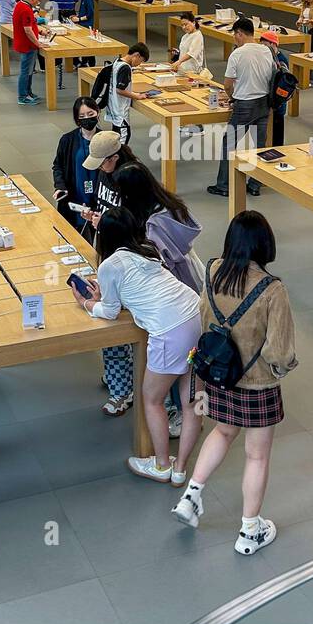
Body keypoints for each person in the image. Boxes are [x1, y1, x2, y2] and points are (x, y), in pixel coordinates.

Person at [171, 211, 296, 556]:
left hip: (219, 375)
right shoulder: (273, 289)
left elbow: (203, 315)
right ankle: (250, 531)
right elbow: (280, 352)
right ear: (264, 243)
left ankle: (191, 496)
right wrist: (279, 372)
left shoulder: (212, 270)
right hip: (257, 385)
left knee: (222, 432)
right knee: (256, 457)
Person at [75, 207, 203, 486]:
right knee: (191, 401)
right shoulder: (148, 250)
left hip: (169, 332)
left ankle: (160, 465)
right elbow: (140, 289)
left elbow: (109, 311)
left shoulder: (109, 265)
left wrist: (86, 302)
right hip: (194, 314)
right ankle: (180, 468)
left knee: (152, 398)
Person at [111, 161, 206, 438]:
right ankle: (190, 416)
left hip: (171, 295)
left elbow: (153, 260)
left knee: (171, 371)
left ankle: (175, 417)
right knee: (190, 367)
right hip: (190, 286)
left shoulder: (152, 226)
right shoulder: (171, 207)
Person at [77, 131, 141, 415]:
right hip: (107, 251)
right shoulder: (107, 173)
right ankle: (119, 378)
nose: (100, 169)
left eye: (102, 163)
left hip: (122, 261)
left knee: (113, 324)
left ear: (115, 158)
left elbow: (131, 226)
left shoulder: (129, 181)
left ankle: (121, 391)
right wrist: (95, 218)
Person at [207, 18, 274, 199]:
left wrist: (232, 99)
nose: (234, 39)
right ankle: (255, 184)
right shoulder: (266, 50)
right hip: (264, 103)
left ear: (239, 33)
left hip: (244, 104)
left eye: (235, 35)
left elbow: (228, 85)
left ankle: (224, 185)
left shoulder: (237, 54)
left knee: (229, 142)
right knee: (259, 145)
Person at [51, 96, 102, 211]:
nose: (87, 118)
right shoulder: (67, 140)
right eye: (82, 116)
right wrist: (60, 186)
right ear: (77, 119)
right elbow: (58, 166)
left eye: (90, 114)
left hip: (98, 197)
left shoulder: (105, 140)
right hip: (75, 197)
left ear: (98, 113)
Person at [104, 42, 151, 143]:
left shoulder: (117, 62)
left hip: (113, 107)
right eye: (141, 61)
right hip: (120, 111)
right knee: (123, 140)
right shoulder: (125, 68)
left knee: (116, 137)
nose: (139, 64)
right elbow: (120, 89)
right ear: (136, 55)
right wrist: (136, 96)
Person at [12, 0, 47, 105]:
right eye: (39, 0)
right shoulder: (26, 9)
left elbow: (31, 24)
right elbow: (27, 30)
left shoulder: (20, 5)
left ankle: (28, 92)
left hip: (26, 44)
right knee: (26, 71)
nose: (39, 3)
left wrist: (40, 31)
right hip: (27, 45)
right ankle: (23, 96)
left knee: (29, 70)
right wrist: (38, 44)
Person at [260, 29, 293, 147]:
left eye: (265, 45)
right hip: (270, 101)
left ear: (273, 44)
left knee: (277, 132)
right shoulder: (267, 56)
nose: (263, 47)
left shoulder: (282, 60)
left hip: (278, 102)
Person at [68, 0, 98, 68]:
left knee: (88, 46)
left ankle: (92, 64)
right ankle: (84, 62)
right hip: (82, 25)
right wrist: (76, 16)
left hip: (87, 26)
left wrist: (79, 19)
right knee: (83, 45)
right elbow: (83, 12)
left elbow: (90, 14)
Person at [170, 11, 207, 77]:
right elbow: (183, 51)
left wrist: (179, 61)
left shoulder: (198, 36)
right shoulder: (185, 36)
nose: (184, 27)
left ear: (193, 22)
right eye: (182, 25)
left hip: (192, 72)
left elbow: (191, 53)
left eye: (186, 24)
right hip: (182, 70)